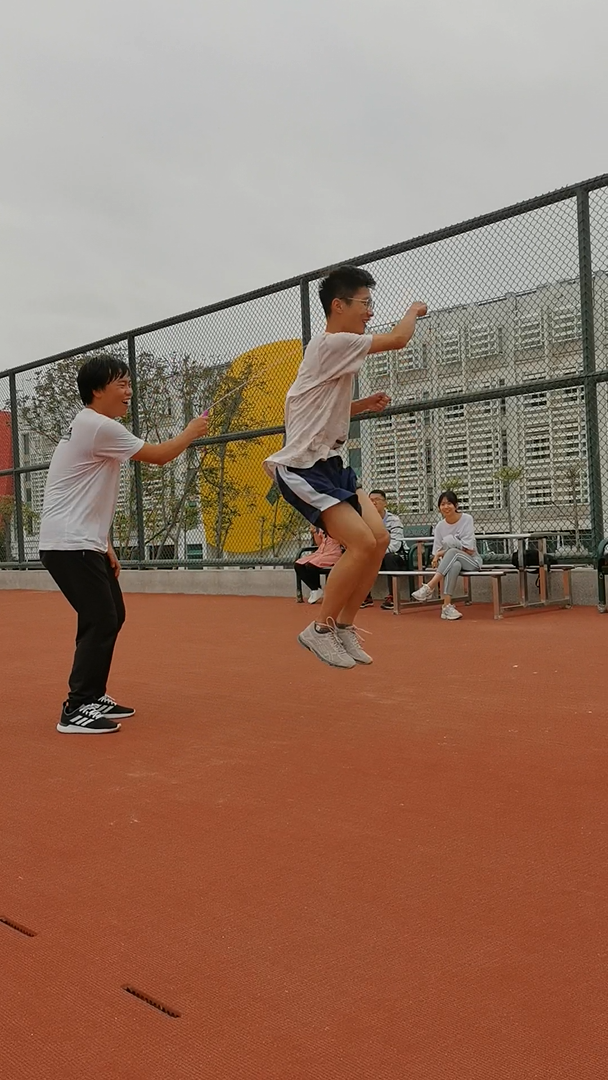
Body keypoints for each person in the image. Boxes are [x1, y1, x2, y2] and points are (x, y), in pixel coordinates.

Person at [263, 264, 427, 668]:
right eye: (365, 303)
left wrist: (360, 405)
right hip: (302, 468)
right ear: (339, 305)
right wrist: (413, 310)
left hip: (332, 464)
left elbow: (315, 410)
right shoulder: (332, 344)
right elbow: (399, 339)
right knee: (361, 543)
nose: (370, 312)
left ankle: (345, 626)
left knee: (379, 539)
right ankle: (319, 630)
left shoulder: (331, 355)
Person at [39, 353, 208, 734]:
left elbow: (85, 495)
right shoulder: (97, 426)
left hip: (81, 540)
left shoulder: (94, 426)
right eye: (122, 384)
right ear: (97, 391)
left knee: (111, 613)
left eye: (130, 383)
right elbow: (160, 456)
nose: (129, 391)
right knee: (101, 618)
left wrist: (105, 543)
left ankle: (93, 695)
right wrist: (191, 431)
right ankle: (76, 708)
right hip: (68, 543)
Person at [411, 490, 482, 619]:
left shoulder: (467, 519)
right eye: (442, 504)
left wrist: (441, 553)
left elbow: (469, 549)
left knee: (453, 552)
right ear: (439, 508)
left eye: (449, 503)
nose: (446, 507)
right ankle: (446, 607)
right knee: (454, 565)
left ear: (456, 505)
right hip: (451, 562)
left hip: (472, 561)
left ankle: (430, 586)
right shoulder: (440, 526)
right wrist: (439, 554)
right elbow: (436, 551)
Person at [361, 490, 408, 610]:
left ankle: (393, 596)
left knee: (389, 558)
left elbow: (396, 544)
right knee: (360, 558)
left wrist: (377, 553)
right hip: (376, 556)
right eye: (370, 501)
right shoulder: (366, 521)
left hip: (397, 555)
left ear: (385, 503)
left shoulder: (394, 520)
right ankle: (365, 596)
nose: (373, 503)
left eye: (377, 500)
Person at [295, 525, 343, 603]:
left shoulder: (339, 526)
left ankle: (316, 589)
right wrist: (314, 532)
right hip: (321, 553)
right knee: (298, 564)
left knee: (311, 565)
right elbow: (319, 544)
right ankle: (315, 589)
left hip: (334, 554)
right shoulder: (321, 527)